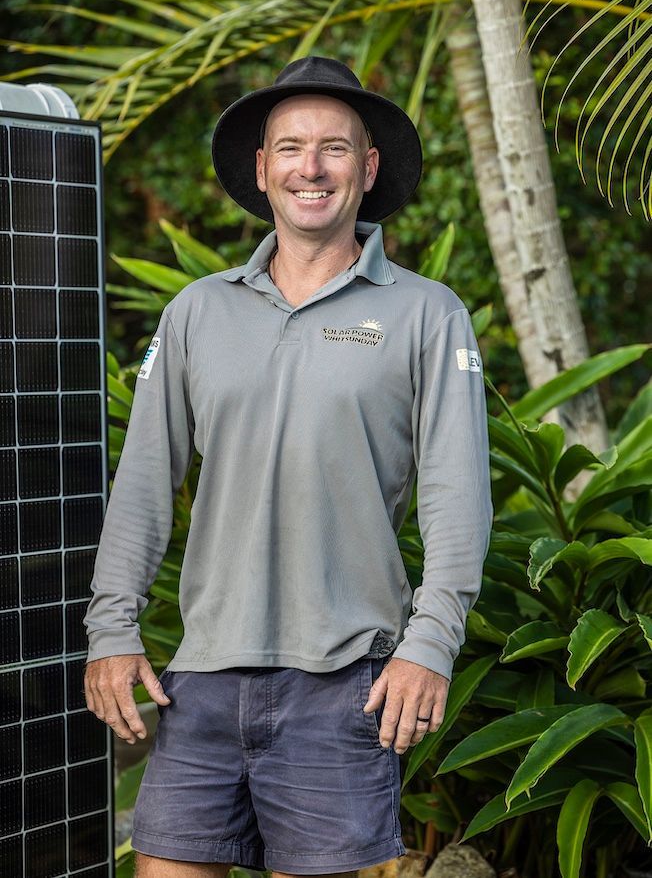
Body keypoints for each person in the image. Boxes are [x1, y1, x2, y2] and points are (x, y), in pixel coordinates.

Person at [84, 56, 493, 878]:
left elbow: (457, 498)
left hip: (343, 684)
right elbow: (142, 485)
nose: (313, 168)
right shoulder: (197, 309)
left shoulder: (426, 313)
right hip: (198, 681)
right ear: (262, 169)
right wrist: (110, 627)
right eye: (292, 148)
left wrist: (430, 646)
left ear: (367, 169)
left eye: (335, 148)